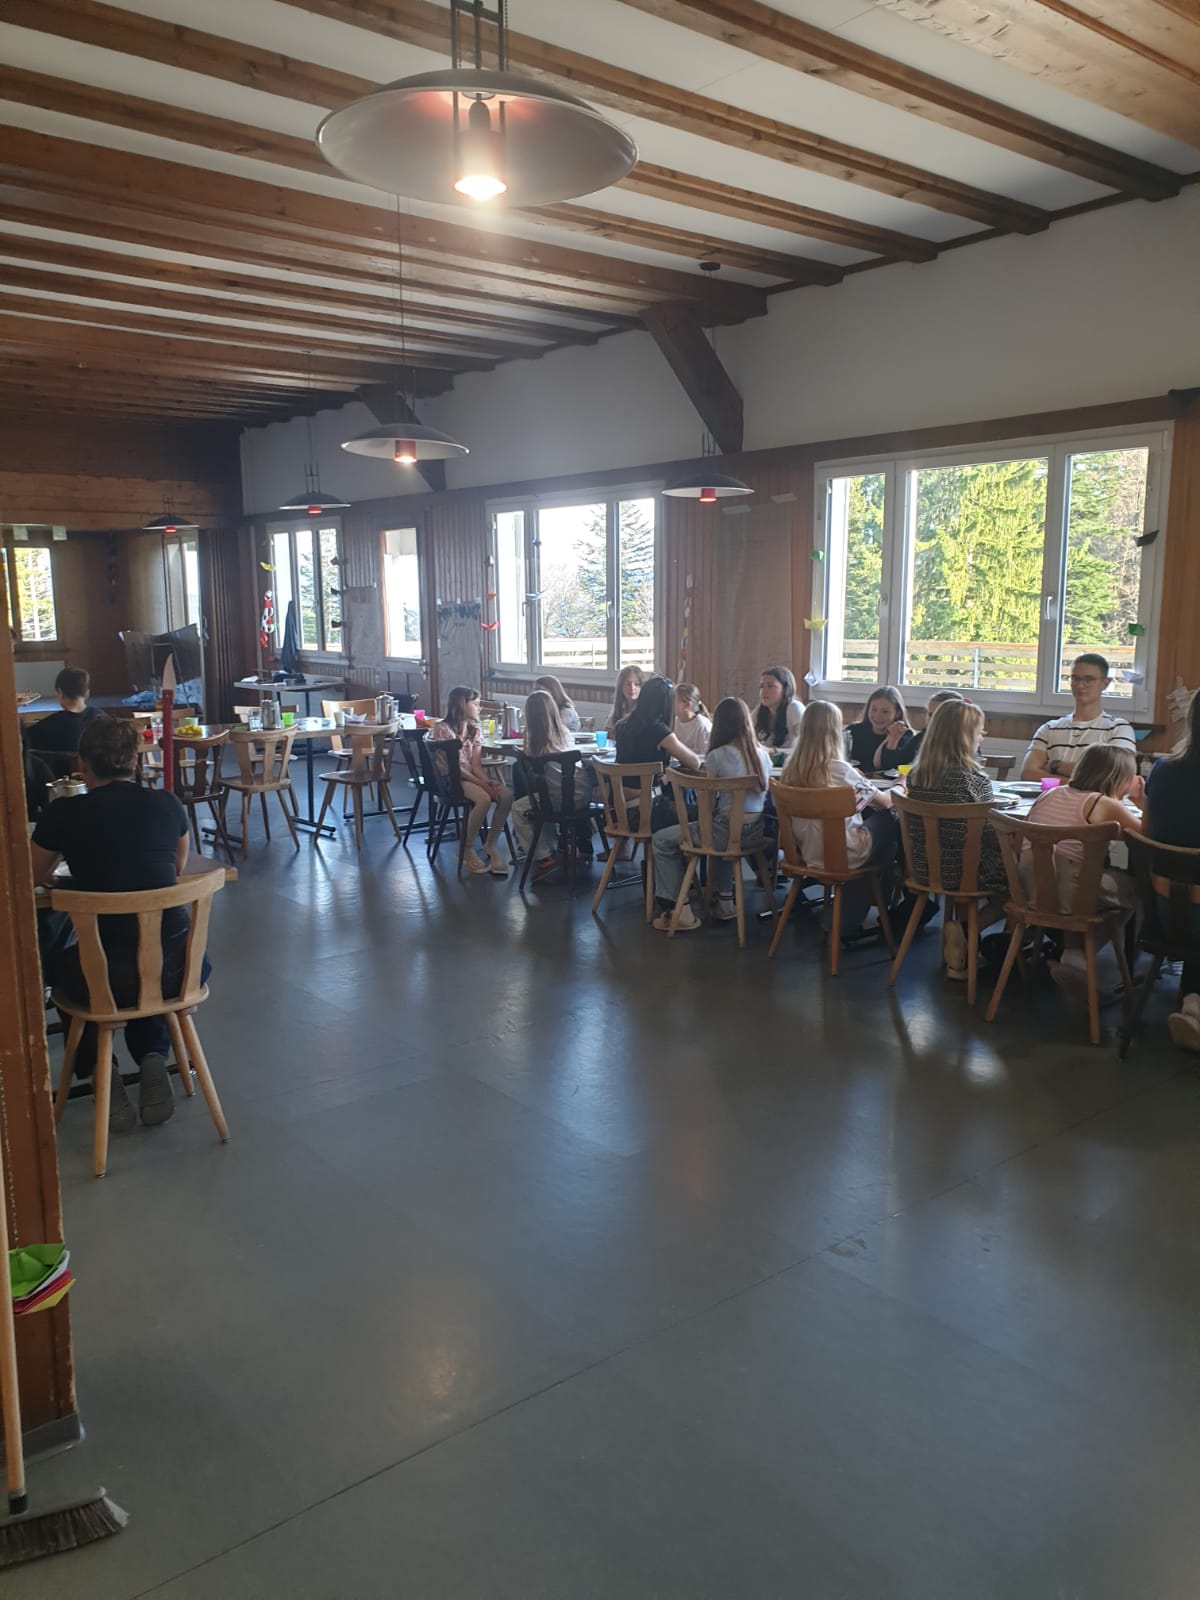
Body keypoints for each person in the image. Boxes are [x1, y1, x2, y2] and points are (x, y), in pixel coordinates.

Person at [30, 715, 200, 1131]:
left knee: (78, 967)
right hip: (180, 968)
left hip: (107, 976)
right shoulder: (168, 804)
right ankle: (153, 1056)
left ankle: (99, 1072)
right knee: (144, 958)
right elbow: (177, 868)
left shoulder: (65, 813)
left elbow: (29, 876)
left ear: (82, 764)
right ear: (135, 761)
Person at [1024, 744, 1144, 992]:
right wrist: (1141, 800)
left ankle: (1073, 954)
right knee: (1136, 891)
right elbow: (1148, 836)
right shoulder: (1103, 804)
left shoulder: (1049, 793)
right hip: (1069, 893)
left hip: (1030, 889)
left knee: (1085, 875)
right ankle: (1077, 958)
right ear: (1119, 779)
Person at [906, 699, 1007, 979]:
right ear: (965, 737)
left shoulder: (916, 775)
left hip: (926, 869)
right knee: (1018, 884)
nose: (981, 737)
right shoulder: (973, 779)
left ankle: (960, 956)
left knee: (964, 855)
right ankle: (969, 932)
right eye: (979, 732)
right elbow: (988, 833)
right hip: (966, 872)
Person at [652, 697, 772, 932]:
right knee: (724, 835)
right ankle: (725, 902)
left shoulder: (717, 756)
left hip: (723, 832)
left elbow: (706, 806)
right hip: (755, 833)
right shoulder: (763, 755)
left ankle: (679, 909)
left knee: (662, 840)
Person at [779, 700, 897, 935]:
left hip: (808, 852)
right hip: (844, 854)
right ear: (835, 732)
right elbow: (885, 802)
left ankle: (857, 902)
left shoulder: (790, 769)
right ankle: (877, 899)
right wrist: (900, 785)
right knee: (889, 820)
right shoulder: (841, 770)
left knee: (872, 830)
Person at [1143, 690, 1200, 1052]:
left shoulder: (1162, 770)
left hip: (1163, 914)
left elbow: (1146, 835)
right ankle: (1194, 1001)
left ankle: (1193, 999)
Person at [431, 686, 513, 876]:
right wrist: (482, 784)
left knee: (506, 794)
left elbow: (475, 765)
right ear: (462, 705)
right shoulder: (442, 728)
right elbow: (455, 768)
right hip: (452, 779)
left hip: (470, 776)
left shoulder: (475, 730)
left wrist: (488, 782)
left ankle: (491, 844)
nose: (479, 708)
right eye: (475, 704)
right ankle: (467, 848)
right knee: (483, 799)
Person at [512, 690, 589, 881]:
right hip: (581, 797)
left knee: (520, 808)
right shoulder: (565, 733)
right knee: (542, 802)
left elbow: (525, 756)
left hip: (555, 800)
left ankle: (543, 857)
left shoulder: (534, 741)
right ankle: (553, 847)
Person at [1021, 653, 1136, 780]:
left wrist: (1055, 766)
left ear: (1105, 683)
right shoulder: (1049, 728)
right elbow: (1028, 774)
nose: (1080, 685)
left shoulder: (1118, 728)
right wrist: (1076, 783)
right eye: (1075, 679)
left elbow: (1117, 774)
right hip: (1056, 794)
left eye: (1089, 679)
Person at [23, 666, 100, 767]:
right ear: (87, 693)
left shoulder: (48, 725)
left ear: (60, 693)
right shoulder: (104, 721)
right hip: (96, 775)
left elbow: (20, 740)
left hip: (55, 776)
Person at [845, 686, 919, 773]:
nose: (878, 716)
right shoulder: (853, 731)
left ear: (897, 713)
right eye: (874, 709)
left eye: (885, 712)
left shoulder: (906, 736)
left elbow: (895, 769)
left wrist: (892, 739)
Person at [753, 666, 803, 753]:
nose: (764, 691)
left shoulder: (794, 708)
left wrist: (772, 751)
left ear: (785, 688)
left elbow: (806, 750)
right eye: (761, 686)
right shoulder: (759, 710)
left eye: (770, 686)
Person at [908, 689, 965, 760]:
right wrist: (895, 741)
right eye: (930, 715)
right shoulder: (924, 735)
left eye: (938, 716)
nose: (932, 720)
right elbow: (902, 759)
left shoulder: (964, 740)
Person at [672, 684, 712, 759]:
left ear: (687, 705)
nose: (669, 703)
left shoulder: (702, 725)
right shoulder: (674, 723)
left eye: (674, 700)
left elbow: (703, 755)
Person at [606, 665, 644, 735]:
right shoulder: (619, 710)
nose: (632, 688)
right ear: (621, 686)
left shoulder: (645, 712)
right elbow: (607, 733)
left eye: (636, 684)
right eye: (628, 684)